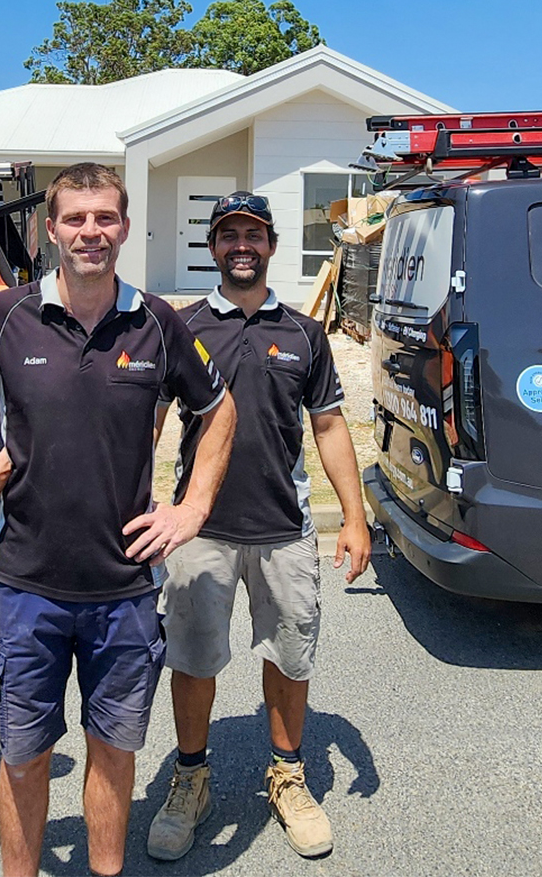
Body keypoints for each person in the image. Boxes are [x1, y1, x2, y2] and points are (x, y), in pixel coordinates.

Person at [0, 162, 237, 877]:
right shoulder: (6, 315)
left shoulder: (155, 322)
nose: (92, 232)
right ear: (49, 229)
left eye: (105, 218)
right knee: (25, 760)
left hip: (124, 591)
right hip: (28, 587)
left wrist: (193, 507)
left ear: (123, 226)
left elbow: (219, 410)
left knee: (114, 756)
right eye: (76, 219)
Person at [145, 191, 372, 862]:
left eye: (253, 234)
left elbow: (329, 427)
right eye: (228, 235)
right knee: (191, 661)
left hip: (284, 529)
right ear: (213, 249)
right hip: (199, 532)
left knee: (290, 658)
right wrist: (136, 506)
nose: (241, 245)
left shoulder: (304, 333)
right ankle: (191, 781)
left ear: (270, 245)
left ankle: (288, 777)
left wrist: (354, 519)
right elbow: (149, 422)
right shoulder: (181, 328)